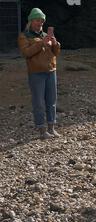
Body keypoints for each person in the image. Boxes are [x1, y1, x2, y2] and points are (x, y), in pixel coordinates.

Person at [18, 8, 61, 139]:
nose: (40, 23)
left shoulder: (45, 35)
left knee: (52, 100)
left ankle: (51, 128)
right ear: (31, 21)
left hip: (51, 71)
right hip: (36, 72)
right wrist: (41, 44)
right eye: (37, 20)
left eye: (42, 21)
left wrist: (55, 44)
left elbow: (55, 53)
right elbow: (26, 53)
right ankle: (42, 130)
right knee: (39, 102)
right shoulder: (24, 36)